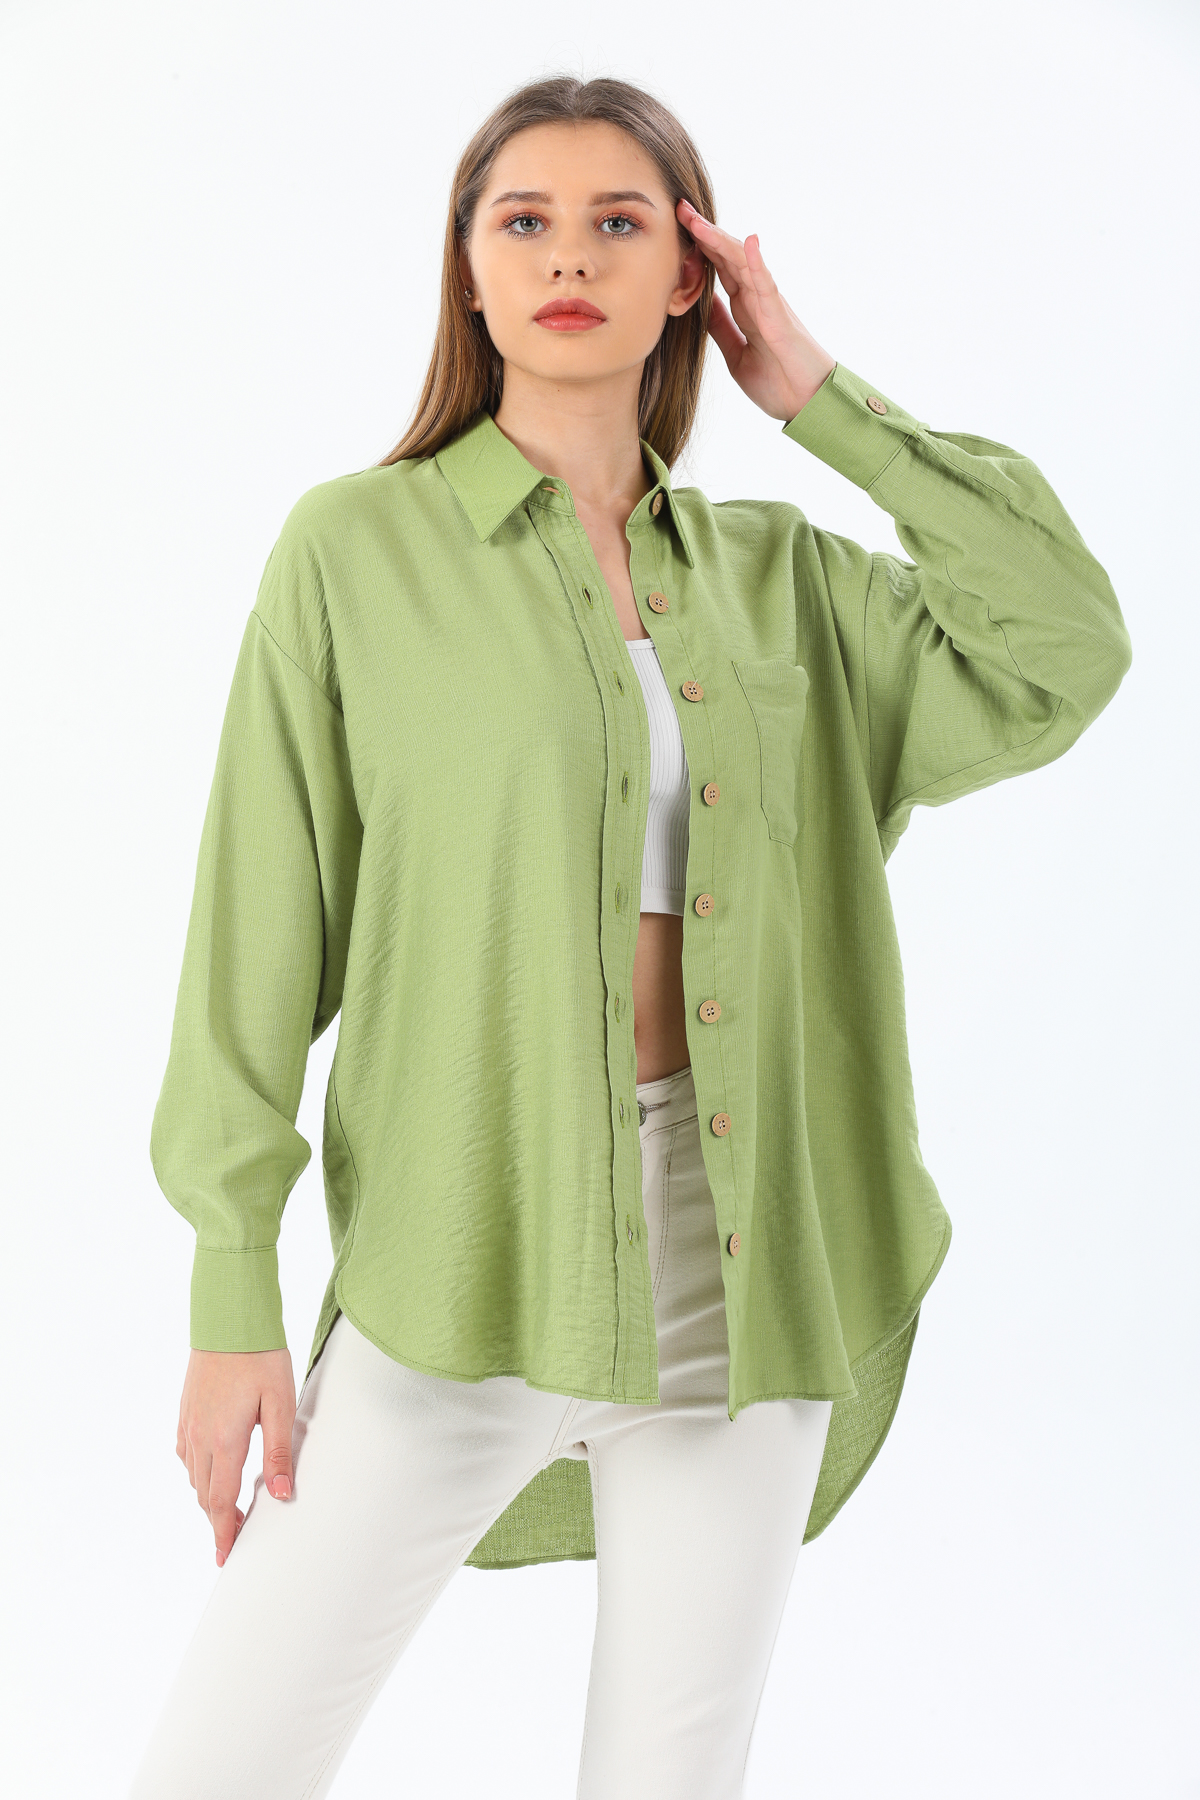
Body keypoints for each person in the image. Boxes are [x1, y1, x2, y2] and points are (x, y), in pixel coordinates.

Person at [130, 71, 1132, 1800]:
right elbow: (252, 941)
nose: (569, 256)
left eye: (622, 222)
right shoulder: (354, 552)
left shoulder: (786, 582)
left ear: (691, 275)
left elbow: (1066, 647)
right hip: (467, 1255)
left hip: (746, 1265)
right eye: (523, 220)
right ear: (467, 268)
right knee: (221, 1764)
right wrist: (234, 1292)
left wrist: (817, 397)